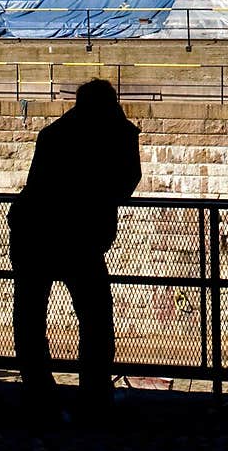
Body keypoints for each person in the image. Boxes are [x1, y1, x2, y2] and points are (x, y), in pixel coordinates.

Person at [8, 77, 141, 422]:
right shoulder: (115, 134)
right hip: (81, 240)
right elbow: (125, 183)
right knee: (96, 318)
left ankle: (39, 393)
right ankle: (94, 394)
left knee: (30, 318)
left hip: (34, 234)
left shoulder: (54, 134)